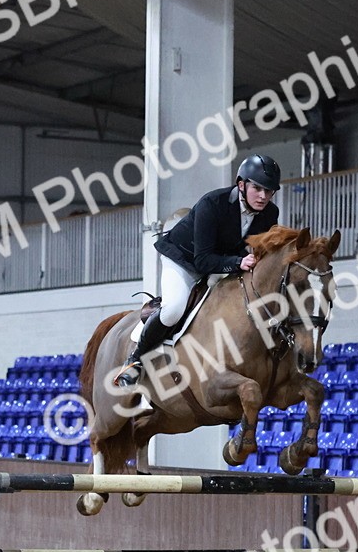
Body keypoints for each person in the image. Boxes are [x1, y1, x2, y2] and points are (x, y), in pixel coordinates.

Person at [114, 153, 282, 386]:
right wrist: (237, 262)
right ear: (241, 184)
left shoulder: (270, 213)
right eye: (258, 188)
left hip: (223, 263)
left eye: (270, 191)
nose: (264, 196)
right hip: (185, 260)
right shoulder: (212, 204)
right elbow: (203, 260)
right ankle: (135, 361)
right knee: (173, 309)